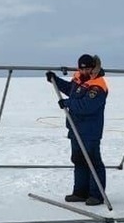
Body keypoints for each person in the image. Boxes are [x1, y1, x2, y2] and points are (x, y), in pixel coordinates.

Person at [45, 54, 108, 206]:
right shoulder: (79, 79)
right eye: (82, 68)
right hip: (75, 128)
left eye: (88, 68)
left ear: (94, 67)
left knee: (93, 161)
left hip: (90, 130)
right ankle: (80, 192)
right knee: (79, 160)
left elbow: (87, 106)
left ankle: (96, 194)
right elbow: (71, 90)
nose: (85, 71)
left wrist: (67, 103)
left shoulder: (98, 85)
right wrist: (55, 80)